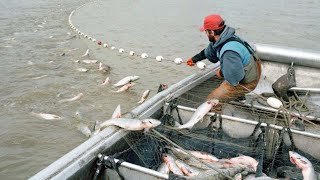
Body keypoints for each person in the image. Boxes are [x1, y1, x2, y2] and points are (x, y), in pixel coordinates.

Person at [186, 14, 261, 108]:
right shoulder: (224, 38)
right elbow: (209, 51)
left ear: (212, 32)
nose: (205, 34)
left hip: (248, 81)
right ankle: (239, 97)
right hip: (250, 69)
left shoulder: (229, 51)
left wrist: (221, 73)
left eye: (206, 32)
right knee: (229, 71)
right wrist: (194, 59)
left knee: (211, 100)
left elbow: (235, 76)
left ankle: (216, 117)